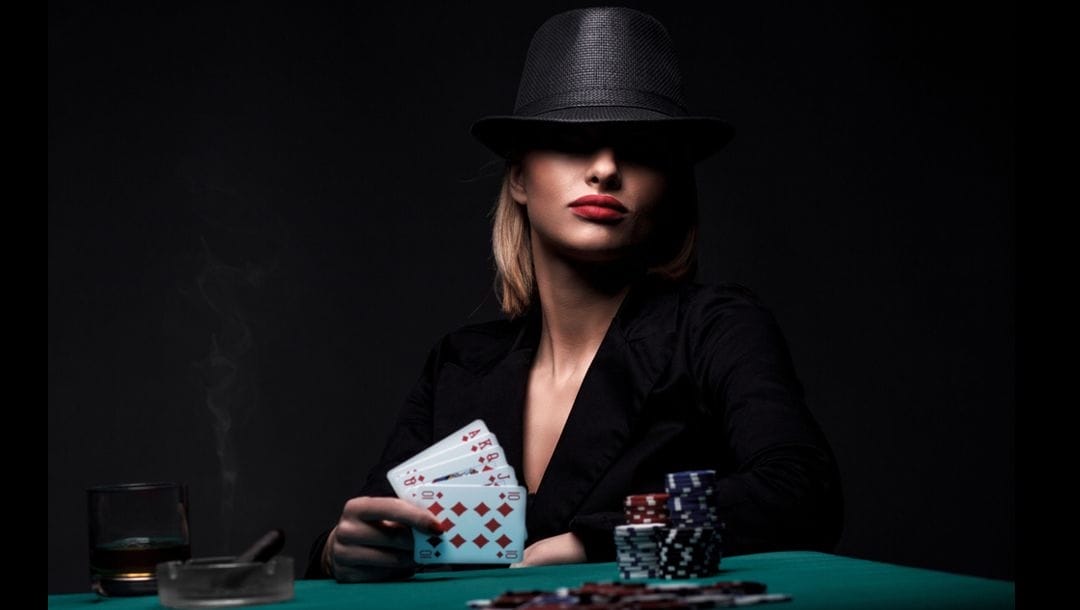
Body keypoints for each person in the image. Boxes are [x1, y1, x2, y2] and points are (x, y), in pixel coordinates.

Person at [306, 6, 843, 582]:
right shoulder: (460, 365)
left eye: (639, 150)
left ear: (673, 189)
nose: (606, 169)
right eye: (572, 141)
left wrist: (602, 541)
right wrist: (340, 550)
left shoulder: (715, 328)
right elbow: (376, 523)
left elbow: (802, 493)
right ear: (518, 177)